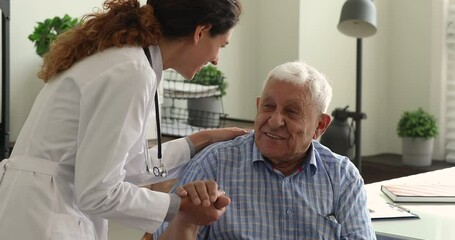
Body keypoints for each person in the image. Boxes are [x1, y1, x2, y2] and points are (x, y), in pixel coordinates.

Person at [0, 0, 244, 239]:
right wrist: (179, 206)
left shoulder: (130, 61)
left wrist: (199, 141)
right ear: (201, 32)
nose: (216, 60)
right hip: (44, 215)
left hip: (37, 206)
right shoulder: (132, 71)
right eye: (222, 46)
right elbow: (99, 192)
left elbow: (126, 165)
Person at [154, 61, 377, 239]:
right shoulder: (215, 162)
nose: (274, 120)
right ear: (258, 106)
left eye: (291, 112)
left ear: (320, 125)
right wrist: (187, 219)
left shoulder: (342, 176)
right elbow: (159, 236)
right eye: (268, 107)